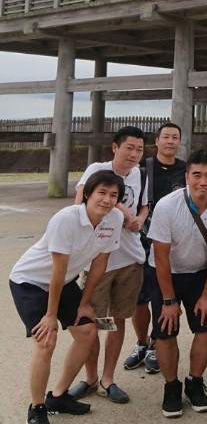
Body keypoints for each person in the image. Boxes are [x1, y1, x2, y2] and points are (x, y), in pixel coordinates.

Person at [9, 170, 124, 424]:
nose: (107, 200)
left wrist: (84, 303)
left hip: (67, 280)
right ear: (87, 194)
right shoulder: (66, 219)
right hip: (31, 281)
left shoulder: (114, 218)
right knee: (46, 340)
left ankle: (57, 396)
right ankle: (36, 409)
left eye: (113, 195)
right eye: (101, 193)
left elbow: (100, 263)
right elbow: (57, 271)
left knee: (87, 331)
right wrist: (51, 316)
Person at [147, 147, 207, 418]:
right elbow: (161, 256)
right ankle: (171, 386)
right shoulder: (167, 205)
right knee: (165, 329)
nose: (203, 182)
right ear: (186, 176)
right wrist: (168, 300)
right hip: (167, 273)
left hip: (201, 273)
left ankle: (195, 381)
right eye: (196, 174)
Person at [69, 126, 148, 404]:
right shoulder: (97, 169)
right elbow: (81, 205)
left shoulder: (140, 173)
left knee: (117, 319)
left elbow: (144, 205)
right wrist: (123, 210)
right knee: (92, 321)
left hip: (130, 259)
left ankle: (107, 379)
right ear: (115, 148)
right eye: (129, 148)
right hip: (98, 262)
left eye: (139, 149)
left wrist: (139, 217)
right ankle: (89, 377)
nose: (134, 154)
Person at [123, 121, 186, 375]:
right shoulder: (143, 169)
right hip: (142, 240)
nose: (170, 141)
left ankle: (156, 342)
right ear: (157, 141)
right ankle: (141, 342)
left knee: (162, 295)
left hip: (173, 242)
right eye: (166, 137)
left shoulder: (185, 170)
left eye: (175, 137)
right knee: (139, 298)